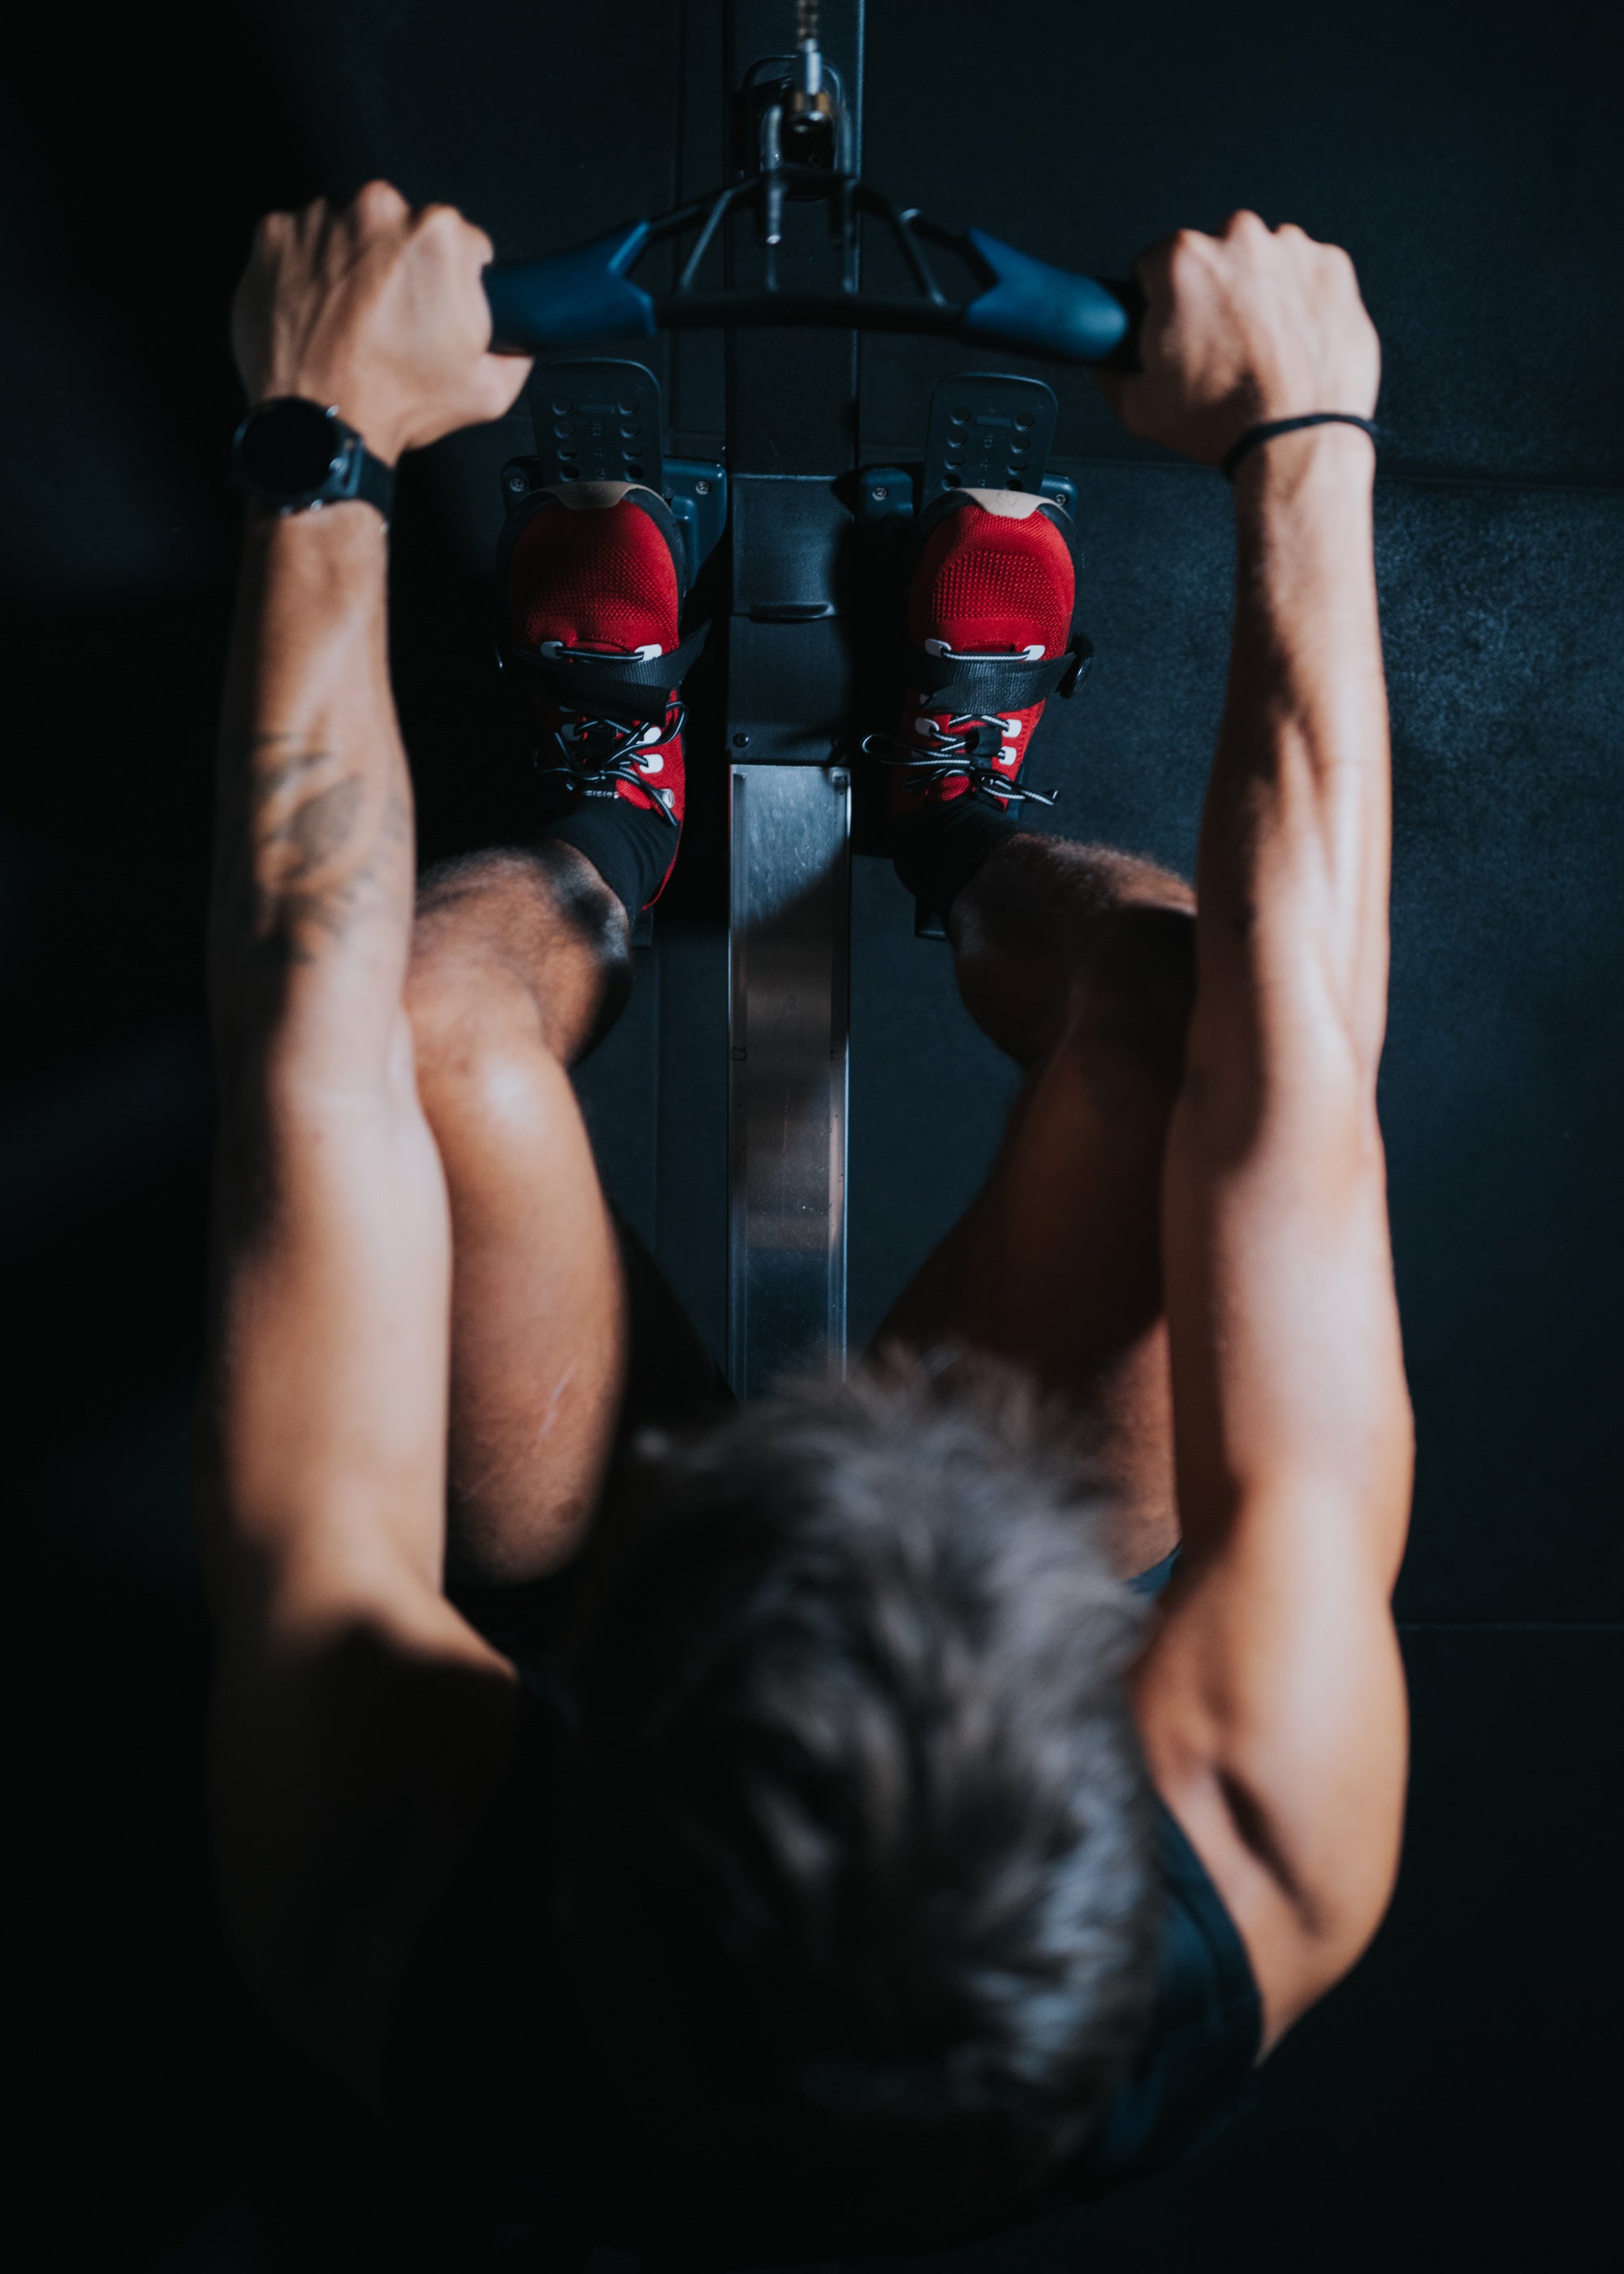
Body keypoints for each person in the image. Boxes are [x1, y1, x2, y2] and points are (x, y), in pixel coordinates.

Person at [202, 181, 1412, 2262]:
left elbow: (295, 1054)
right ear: (1114, 1714)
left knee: (410, 1042)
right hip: (852, 1629)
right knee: (1168, 1018)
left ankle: (610, 823)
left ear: (567, 1765)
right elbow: (1290, 1067)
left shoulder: (366, 1869)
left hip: (597, 1569)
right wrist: (1300, 445)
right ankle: (953, 821)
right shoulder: (1267, 1826)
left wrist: (320, 443)